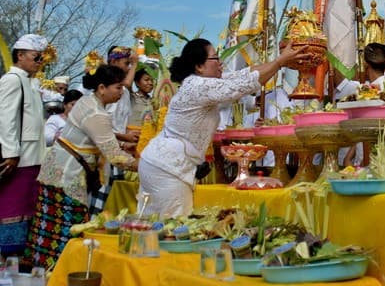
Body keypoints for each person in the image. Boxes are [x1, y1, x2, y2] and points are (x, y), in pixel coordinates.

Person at [138, 38, 310, 217]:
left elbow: (245, 74)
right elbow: (244, 84)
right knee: (172, 223)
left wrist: (280, 62)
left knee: (150, 222)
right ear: (199, 66)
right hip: (166, 168)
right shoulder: (198, 86)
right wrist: (279, 62)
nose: (220, 63)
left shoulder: (203, 82)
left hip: (162, 164)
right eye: (215, 58)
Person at [25, 65, 138, 269]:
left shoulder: (87, 101)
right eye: (118, 87)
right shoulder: (97, 113)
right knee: (69, 228)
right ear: (102, 88)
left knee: (48, 229)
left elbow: (94, 135)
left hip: (55, 169)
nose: (122, 92)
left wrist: (122, 143)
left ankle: (42, 271)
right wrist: (145, 165)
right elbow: (115, 157)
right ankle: (62, 271)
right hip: (68, 176)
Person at [0, 34, 48, 258]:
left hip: (30, 160)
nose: (40, 61)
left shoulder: (29, 82)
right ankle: (0, 263)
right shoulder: (12, 80)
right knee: (9, 213)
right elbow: (5, 120)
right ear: (20, 55)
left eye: (42, 58)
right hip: (14, 161)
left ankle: (17, 263)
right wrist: (11, 154)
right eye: (36, 56)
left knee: (24, 213)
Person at [89, 46, 139, 213]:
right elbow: (102, 130)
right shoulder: (95, 104)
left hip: (115, 150)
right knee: (100, 197)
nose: (129, 68)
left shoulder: (122, 94)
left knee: (112, 195)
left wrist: (125, 140)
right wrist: (124, 141)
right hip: (104, 153)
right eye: (127, 63)